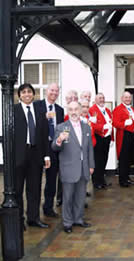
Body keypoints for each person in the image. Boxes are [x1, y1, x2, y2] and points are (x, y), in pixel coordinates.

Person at [52, 101, 95, 233]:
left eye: (76, 109)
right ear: (68, 111)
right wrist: (59, 140)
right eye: (71, 109)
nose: (74, 112)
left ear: (80, 110)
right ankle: (67, 222)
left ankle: (78, 219)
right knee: (68, 197)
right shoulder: (61, 127)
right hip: (69, 168)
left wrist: (91, 165)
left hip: (84, 167)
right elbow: (54, 146)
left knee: (80, 196)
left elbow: (89, 149)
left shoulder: (86, 127)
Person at [14, 83, 51, 229]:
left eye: (29, 92)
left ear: (33, 94)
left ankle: (33, 218)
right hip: (19, 155)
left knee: (34, 189)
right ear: (19, 95)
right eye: (23, 92)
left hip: (36, 154)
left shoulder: (39, 110)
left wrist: (46, 156)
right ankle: (18, 220)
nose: (27, 94)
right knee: (17, 189)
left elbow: (44, 134)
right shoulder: (13, 110)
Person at [35, 83, 64, 218]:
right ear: (47, 91)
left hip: (53, 147)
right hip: (38, 147)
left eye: (56, 91)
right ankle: (33, 211)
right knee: (34, 180)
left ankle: (48, 207)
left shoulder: (60, 110)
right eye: (52, 90)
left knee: (52, 179)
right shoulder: (37, 106)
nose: (54, 93)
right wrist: (43, 117)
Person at [113, 91, 134, 187]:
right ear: (122, 98)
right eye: (126, 97)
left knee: (128, 159)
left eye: (129, 97)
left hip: (132, 135)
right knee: (123, 159)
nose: (128, 99)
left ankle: (127, 178)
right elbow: (115, 123)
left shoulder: (131, 108)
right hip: (124, 135)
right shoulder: (118, 109)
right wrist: (124, 124)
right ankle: (122, 181)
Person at [89, 93, 113, 190]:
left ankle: (102, 180)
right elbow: (91, 125)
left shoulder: (107, 110)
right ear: (95, 100)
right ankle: (96, 182)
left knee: (104, 160)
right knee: (97, 161)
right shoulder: (92, 110)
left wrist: (112, 138)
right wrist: (102, 127)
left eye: (103, 98)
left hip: (106, 138)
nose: (102, 100)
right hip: (98, 137)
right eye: (99, 98)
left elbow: (111, 125)